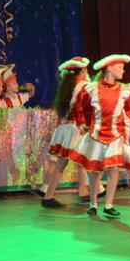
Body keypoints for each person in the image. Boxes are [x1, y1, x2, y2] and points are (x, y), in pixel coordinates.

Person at [67, 54, 130, 217]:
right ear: (109, 68)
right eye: (120, 67)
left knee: (114, 169)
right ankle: (93, 204)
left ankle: (109, 205)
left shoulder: (125, 90)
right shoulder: (91, 88)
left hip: (115, 136)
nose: (123, 71)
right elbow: (83, 109)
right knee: (96, 171)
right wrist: (86, 124)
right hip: (96, 135)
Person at [41, 57, 92, 209]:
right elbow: (81, 109)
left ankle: (50, 196)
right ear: (82, 70)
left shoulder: (67, 86)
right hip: (76, 127)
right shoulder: (83, 86)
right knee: (85, 159)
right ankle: (89, 192)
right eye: (86, 69)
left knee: (65, 162)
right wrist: (84, 125)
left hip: (65, 127)